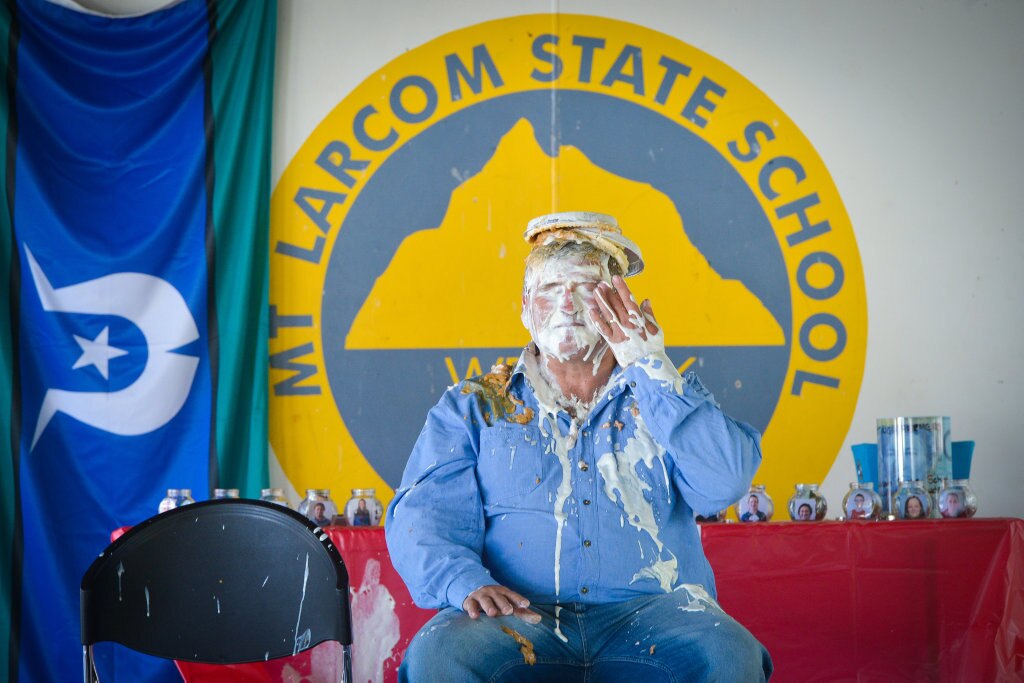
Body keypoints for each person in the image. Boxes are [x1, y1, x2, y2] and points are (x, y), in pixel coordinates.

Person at [385, 212, 772, 681]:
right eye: (550, 291)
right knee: (438, 657)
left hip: (657, 613)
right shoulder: (475, 405)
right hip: (518, 616)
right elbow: (423, 516)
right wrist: (463, 582)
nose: (566, 304)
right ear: (526, 308)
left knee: (731, 656)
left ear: (618, 304)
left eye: (586, 288)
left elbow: (724, 484)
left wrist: (652, 367)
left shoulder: (662, 397)